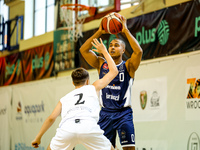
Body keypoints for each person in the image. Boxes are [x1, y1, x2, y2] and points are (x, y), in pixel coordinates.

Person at [31, 38, 118, 150]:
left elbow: (51, 118)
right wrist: (104, 51)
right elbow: (114, 71)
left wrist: (38, 137)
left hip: (67, 128)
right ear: (87, 81)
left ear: (73, 82)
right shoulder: (93, 87)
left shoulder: (64, 98)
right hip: (88, 127)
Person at [80, 15, 143, 150]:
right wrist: (99, 32)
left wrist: (125, 30)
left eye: (116, 45)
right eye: (110, 45)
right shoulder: (101, 63)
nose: (112, 47)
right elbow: (83, 50)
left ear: (123, 50)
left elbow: (138, 51)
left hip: (123, 114)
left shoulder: (129, 66)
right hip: (105, 114)